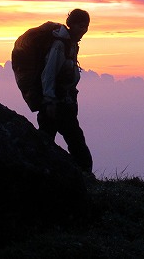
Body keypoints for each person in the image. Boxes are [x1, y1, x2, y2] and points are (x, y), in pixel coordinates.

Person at [19, 9, 93, 174]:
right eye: (81, 26)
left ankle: (39, 174)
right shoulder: (60, 45)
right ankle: (85, 177)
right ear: (71, 25)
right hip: (56, 105)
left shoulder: (71, 44)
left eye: (86, 27)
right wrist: (50, 100)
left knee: (46, 142)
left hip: (62, 103)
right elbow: (49, 73)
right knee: (76, 145)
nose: (84, 30)